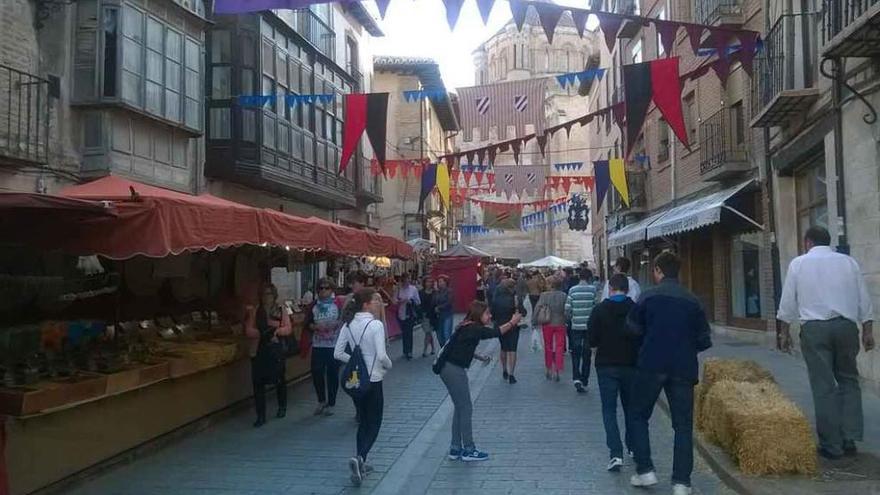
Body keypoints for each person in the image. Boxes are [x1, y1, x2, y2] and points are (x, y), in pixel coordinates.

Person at [777, 226, 875, 459]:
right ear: (828, 242)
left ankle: (832, 445)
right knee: (849, 381)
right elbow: (863, 297)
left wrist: (784, 332)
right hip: (846, 327)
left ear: (808, 242)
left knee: (824, 386)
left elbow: (788, 300)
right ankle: (849, 438)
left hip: (814, 329)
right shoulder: (848, 263)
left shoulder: (798, 264)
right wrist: (867, 330)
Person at [626, 251, 712, 495]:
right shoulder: (693, 300)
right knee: (683, 426)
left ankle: (645, 471)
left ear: (658, 271)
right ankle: (681, 482)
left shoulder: (648, 296)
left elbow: (632, 329)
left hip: (651, 364)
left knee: (638, 415)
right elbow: (704, 340)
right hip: (683, 367)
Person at [438, 300, 522, 462]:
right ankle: (469, 449)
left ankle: (455, 448)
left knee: (460, 407)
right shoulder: (474, 328)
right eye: (487, 313)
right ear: (479, 314)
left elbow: (463, 346)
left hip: (447, 367)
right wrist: (512, 322)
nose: (490, 316)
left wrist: (479, 356)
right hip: (454, 369)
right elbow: (496, 333)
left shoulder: (467, 326)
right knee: (466, 407)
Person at [334, 288, 392, 486]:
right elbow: (382, 356)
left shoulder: (348, 324)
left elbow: (337, 353)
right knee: (374, 422)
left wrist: (355, 362)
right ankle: (360, 457)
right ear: (366, 304)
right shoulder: (375, 325)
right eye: (374, 301)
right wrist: (388, 366)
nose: (377, 304)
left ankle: (361, 459)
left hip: (357, 380)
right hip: (374, 379)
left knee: (363, 421)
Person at [589, 274, 639, 472]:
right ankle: (634, 447)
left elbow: (592, 339)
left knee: (609, 410)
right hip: (631, 364)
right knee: (631, 408)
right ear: (627, 289)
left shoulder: (600, 309)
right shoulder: (635, 309)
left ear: (610, 288)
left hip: (606, 365)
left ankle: (615, 453)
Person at [245, 284, 292, 427]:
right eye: (265, 294)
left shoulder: (280, 309)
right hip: (259, 349)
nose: (267, 297)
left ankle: (282, 406)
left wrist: (276, 331)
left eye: (270, 294)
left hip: (275, 348)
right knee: (258, 382)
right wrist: (261, 333)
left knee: (279, 379)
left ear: (274, 295)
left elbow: (288, 328)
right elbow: (248, 330)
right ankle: (261, 415)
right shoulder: (255, 311)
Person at [310, 278, 342, 417]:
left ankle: (332, 402)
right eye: (321, 288)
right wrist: (315, 326)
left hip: (333, 345)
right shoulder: (314, 305)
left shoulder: (337, 304)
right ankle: (321, 400)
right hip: (318, 344)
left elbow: (344, 319)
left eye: (327, 288)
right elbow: (307, 323)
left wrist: (335, 325)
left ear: (332, 290)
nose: (323, 291)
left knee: (332, 374)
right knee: (317, 372)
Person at [566, 267, 597, 393]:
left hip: (576, 326)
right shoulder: (593, 290)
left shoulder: (572, 290)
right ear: (589, 278)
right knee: (587, 353)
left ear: (580, 277)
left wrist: (571, 319)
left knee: (576, 353)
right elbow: (595, 308)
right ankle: (584, 378)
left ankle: (576, 378)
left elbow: (567, 309)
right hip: (589, 327)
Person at [491, 278, 526, 384]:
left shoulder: (496, 299)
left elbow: (493, 313)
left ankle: (504, 369)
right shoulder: (515, 298)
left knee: (503, 348)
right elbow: (523, 312)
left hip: (501, 326)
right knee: (513, 349)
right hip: (513, 326)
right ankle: (511, 374)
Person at [534, 276, 569, 381]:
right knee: (559, 347)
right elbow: (567, 310)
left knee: (548, 346)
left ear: (551, 285)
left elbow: (537, 308)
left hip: (547, 323)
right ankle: (557, 370)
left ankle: (548, 368)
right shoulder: (564, 295)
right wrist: (567, 319)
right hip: (560, 323)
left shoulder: (544, 295)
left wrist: (534, 320)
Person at [393, 273, 421, 360]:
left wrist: (411, 301)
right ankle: (405, 350)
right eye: (405, 281)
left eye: (408, 280)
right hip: (401, 313)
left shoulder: (413, 289)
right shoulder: (398, 289)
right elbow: (394, 300)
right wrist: (400, 301)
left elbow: (418, 302)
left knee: (409, 332)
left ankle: (409, 351)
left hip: (410, 313)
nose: (406, 282)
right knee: (404, 333)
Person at [420, 276, 437, 357]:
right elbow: (419, 303)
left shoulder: (435, 292)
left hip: (433, 315)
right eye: (427, 282)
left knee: (428, 332)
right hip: (424, 315)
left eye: (430, 282)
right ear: (424, 283)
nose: (429, 283)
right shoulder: (421, 292)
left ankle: (425, 350)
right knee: (428, 332)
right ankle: (433, 348)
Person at [434, 275, 454, 345]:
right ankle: (443, 350)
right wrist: (436, 291)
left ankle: (447, 351)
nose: (440, 283)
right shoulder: (437, 292)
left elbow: (449, 302)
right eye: (438, 282)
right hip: (439, 316)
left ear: (445, 282)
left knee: (446, 334)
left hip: (447, 314)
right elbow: (434, 301)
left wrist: (439, 307)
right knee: (440, 335)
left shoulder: (449, 291)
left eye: (441, 281)